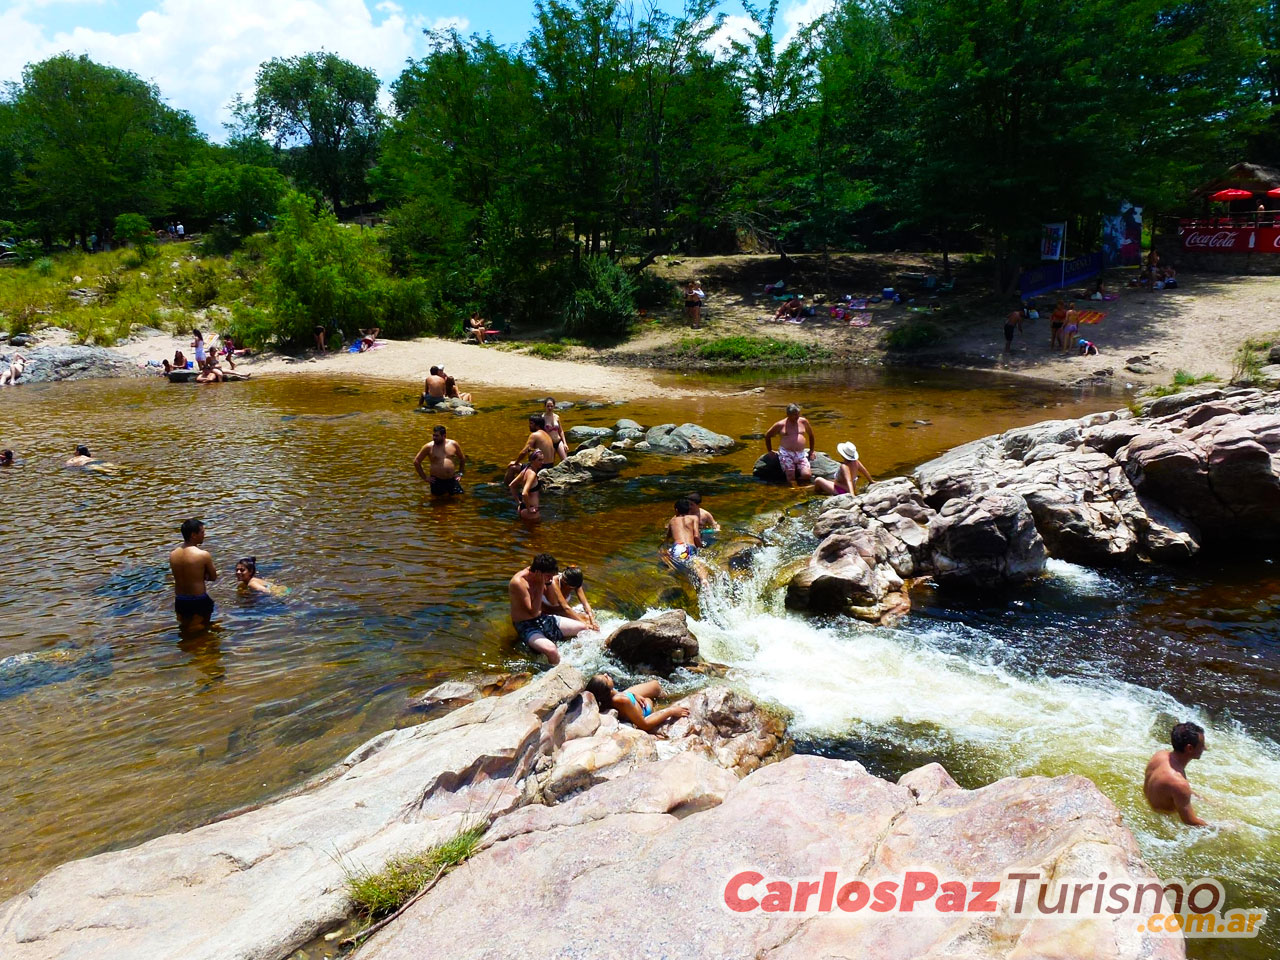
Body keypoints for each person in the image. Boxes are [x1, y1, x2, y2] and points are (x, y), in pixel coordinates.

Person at [509, 553, 591, 664]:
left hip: (543, 618)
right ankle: (554, 674)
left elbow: (552, 601)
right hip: (525, 624)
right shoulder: (519, 582)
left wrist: (548, 583)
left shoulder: (546, 579)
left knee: (584, 629)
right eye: (549, 576)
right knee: (552, 650)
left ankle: (574, 660)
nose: (551, 579)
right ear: (539, 573)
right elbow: (533, 612)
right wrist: (539, 586)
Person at [1143, 721, 1208, 827]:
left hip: (1151, 807)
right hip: (1162, 823)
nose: (1205, 748)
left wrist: (1201, 798)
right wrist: (1220, 827)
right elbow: (1190, 821)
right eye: (1202, 745)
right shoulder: (1179, 783)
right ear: (1189, 748)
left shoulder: (1159, 755)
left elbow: (1169, 788)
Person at [585, 674, 690, 734]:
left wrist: (633, 695)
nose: (606, 674)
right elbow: (645, 725)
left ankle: (665, 693)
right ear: (607, 689)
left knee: (655, 685)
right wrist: (670, 711)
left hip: (630, 699)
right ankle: (673, 695)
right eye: (606, 679)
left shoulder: (609, 695)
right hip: (644, 710)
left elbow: (621, 694)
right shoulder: (621, 701)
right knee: (651, 697)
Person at [170, 518, 217, 629]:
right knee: (203, 629)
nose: (204, 535)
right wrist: (204, 576)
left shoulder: (173, 554)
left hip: (180, 600)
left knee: (185, 629)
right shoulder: (202, 555)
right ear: (193, 535)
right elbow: (213, 577)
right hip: (198, 600)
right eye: (202, 532)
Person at [764, 403, 816, 487]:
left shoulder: (803, 421)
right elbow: (767, 436)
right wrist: (770, 451)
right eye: (794, 415)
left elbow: (811, 435)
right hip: (786, 453)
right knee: (790, 475)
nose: (797, 416)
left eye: (798, 414)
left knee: (807, 475)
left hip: (801, 453)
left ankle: (800, 485)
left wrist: (812, 450)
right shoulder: (780, 424)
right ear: (788, 414)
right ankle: (795, 489)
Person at [662, 497, 708, 585]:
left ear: (676, 510)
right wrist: (701, 547)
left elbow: (667, 539)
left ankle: (671, 573)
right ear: (689, 509)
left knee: (669, 558)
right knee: (698, 563)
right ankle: (703, 580)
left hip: (677, 547)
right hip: (688, 547)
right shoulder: (694, 518)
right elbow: (696, 536)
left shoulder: (672, 520)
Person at [413, 424, 466, 495]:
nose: (434, 438)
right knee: (438, 502)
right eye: (433, 435)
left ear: (444, 436)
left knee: (459, 498)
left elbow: (462, 458)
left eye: (437, 436)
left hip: (452, 479)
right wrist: (425, 477)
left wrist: (460, 473)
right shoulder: (428, 447)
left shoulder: (453, 444)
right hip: (436, 481)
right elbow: (416, 461)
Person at [542, 565, 598, 630]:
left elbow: (585, 603)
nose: (572, 589)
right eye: (571, 587)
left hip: (562, 613)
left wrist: (592, 621)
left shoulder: (575, 582)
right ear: (565, 582)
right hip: (546, 614)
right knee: (583, 626)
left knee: (588, 618)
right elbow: (566, 607)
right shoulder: (553, 582)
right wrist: (585, 624)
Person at [509, 415, 557, 480]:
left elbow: (524, 452)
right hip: (549, 466)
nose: (529, 425)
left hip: (541, 467)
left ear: (537, 425)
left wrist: (516, 462)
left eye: (531, 423)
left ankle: (506, 487)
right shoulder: (547, 435)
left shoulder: (535, 435)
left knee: (512, 467)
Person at [510, 448, 547, 521]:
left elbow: (511, 485)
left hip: (522, 508)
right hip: (531, 512)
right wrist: (529, 508)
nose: (542, 462)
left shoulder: (525, 470)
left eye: (542, 459)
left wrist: (519, 502)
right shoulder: (532, 474)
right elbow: (524, 493)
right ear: (532, 461)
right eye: (539, 460)